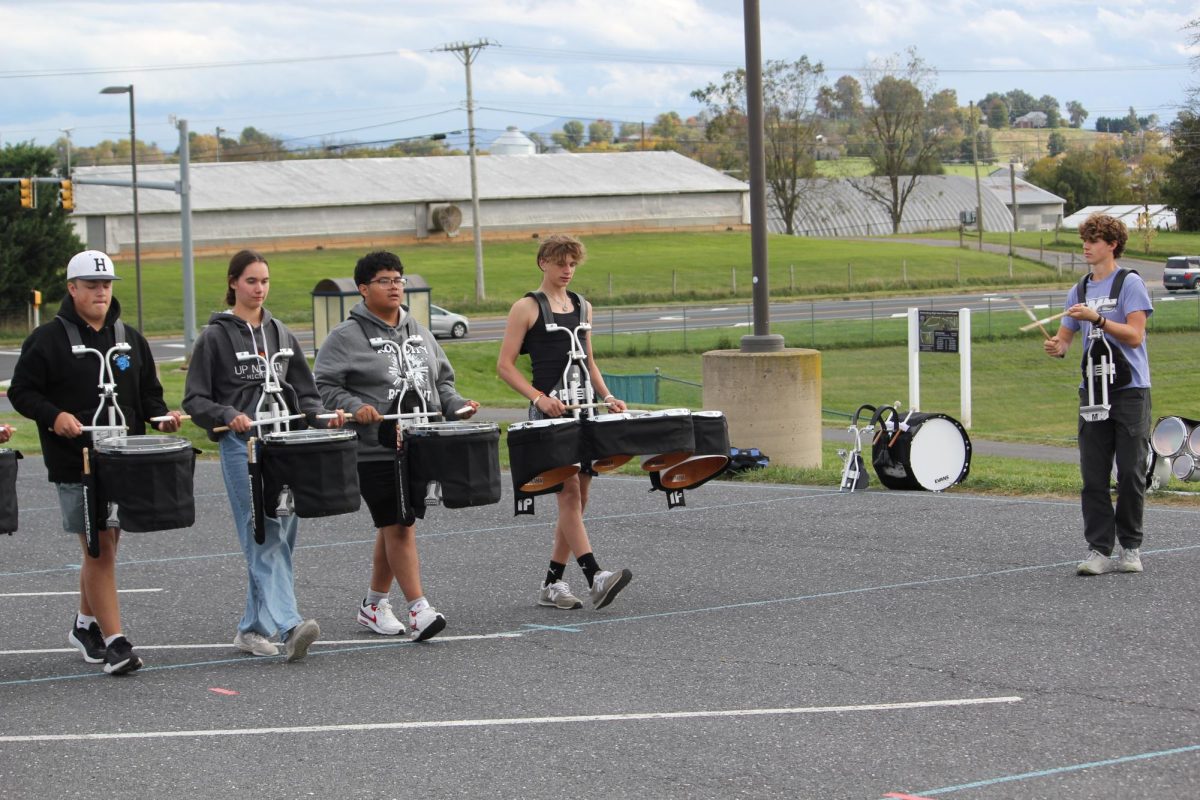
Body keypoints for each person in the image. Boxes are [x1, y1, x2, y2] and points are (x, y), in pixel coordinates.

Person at [9, 250, 183, 675]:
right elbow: (22, 392)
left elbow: (148, 393)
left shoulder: (129, 338)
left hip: (124, 461)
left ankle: (86, 624)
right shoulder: (48, 339)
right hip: (77, 462)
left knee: (106, 546)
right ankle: (116, 642)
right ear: (72, 289)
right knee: (99, 548)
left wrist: (161, 417)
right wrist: (54, 416)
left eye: (105, 285)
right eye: (90, 285)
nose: (100, 292)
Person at [183, 250, 344, 661]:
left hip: (285, 447)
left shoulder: (281, 335)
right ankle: (291, 625)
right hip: (244, 447)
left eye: (264, 281)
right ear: (234, 282)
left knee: (282, 536)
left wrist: (324, 418)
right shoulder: (215, 337)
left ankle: (252, 628)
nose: (259, 289)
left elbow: (306, 394)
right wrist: (226, 414)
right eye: (251, 281)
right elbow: (195, 399)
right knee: (264, 532)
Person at [314, 251, 477, 642]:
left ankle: (373, 605)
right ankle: (419, 609)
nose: (394, 286)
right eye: (385, 280)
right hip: (375, 449)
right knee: (400, 525)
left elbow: (442, 383)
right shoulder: (343, 338)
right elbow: (324, 388)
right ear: (363, 288)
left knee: (394, 524)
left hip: (421, 446)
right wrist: (356, 407)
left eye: (398, 279)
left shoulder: (419, 331)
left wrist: (456, 406)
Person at [497, 234, 633, 611]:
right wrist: (539, 398)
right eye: (560, 262)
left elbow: (589, 362)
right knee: (569, 494)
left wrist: (606, 397)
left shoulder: (583, 307)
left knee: (579, 499)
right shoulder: (526, 307)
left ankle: (552, 583)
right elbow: (504, 366)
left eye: (572, 263)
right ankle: (596, 576)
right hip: (550, 414)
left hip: (584, 411)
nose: (567, 270)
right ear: (543, 262)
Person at [1042, 214, 1153, 576]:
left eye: (1094, 240)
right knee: (1093, 475)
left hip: (1129, 390)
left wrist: (1099, 319)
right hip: (1093, 391)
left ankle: (1131, 547)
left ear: (1112, 245)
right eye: (1084, 240)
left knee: (1131, 474)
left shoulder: (1130, 283)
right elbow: (1065, 340)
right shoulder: (1080, 288)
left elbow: (1135, 336)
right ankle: (1099, 550)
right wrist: (1056, 346)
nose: (1086, 246)